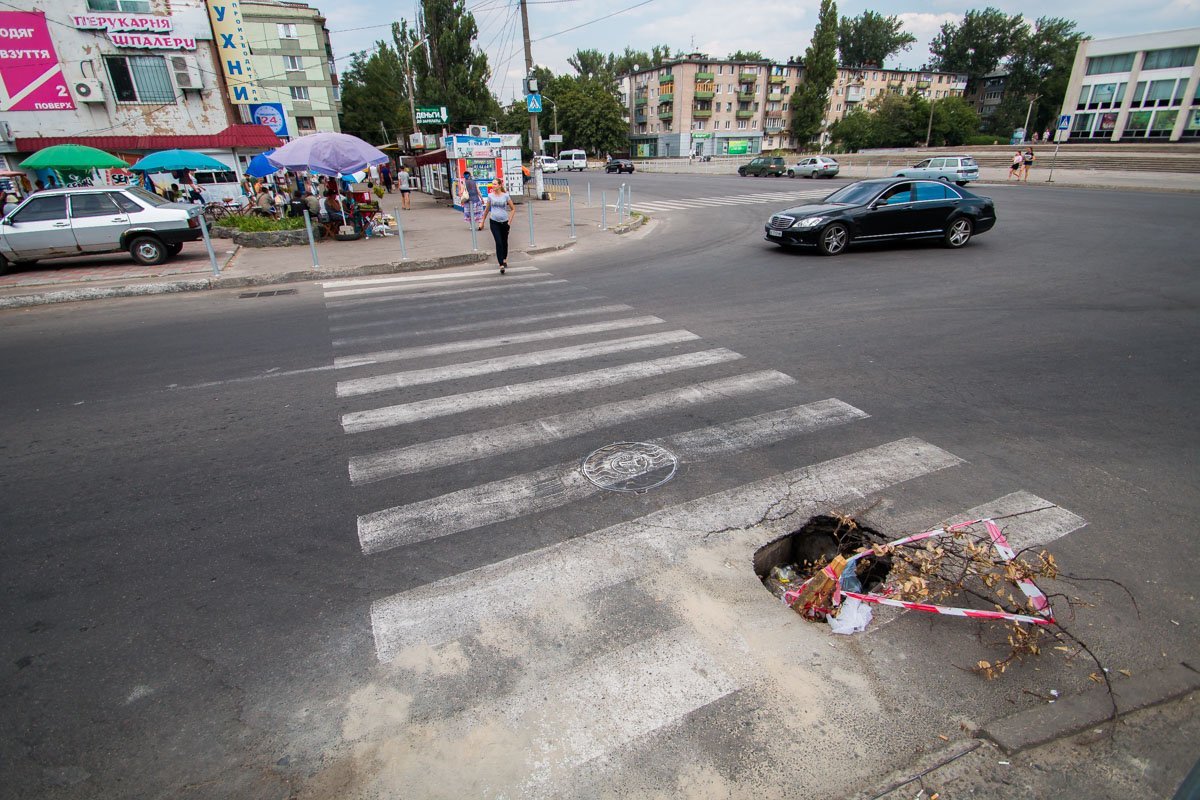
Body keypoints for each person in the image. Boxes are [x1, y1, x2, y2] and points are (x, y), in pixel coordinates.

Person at [479, 180, 516, 274]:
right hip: (494, 222)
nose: (493, 185)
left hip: (504, 222)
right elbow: (487, 210)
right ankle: (501, 264)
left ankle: (504, 258)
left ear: (500, 185)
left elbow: (513, 209)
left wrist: (509, 222)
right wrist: (482, 222)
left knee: (504, 242)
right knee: (498, 242)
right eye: (492, 184)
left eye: (495, 184)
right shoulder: (490, 196)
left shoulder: (506, 195)